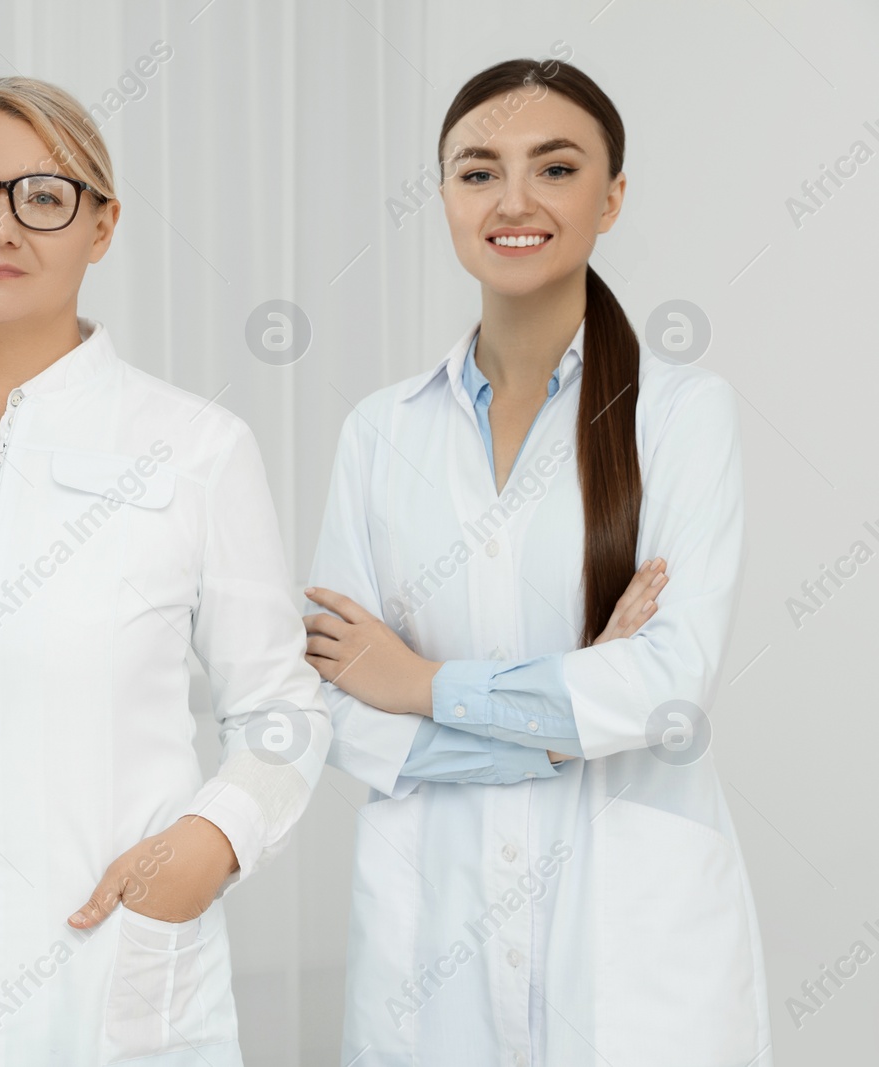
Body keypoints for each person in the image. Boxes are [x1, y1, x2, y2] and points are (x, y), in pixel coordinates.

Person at [0, 76, 329, 1065]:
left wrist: (203, 847)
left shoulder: (196, 446)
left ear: (102, 224)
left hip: (117, 975)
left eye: (42, 195)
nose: (0, 225)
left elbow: (281, 712)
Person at [304, 59, 773, 1066]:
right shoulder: (379, 432)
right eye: (477, 172)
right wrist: (563, 727)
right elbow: (336, 706)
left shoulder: (682, 415)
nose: (511, 200)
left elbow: (664, 687)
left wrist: (422, 683)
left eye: (552, 168)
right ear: (442, 199)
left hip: (632, 942)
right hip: (433, 930)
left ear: (609, 197)